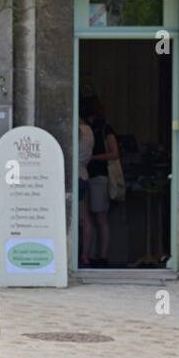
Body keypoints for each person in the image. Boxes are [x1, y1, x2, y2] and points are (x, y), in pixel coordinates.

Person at [82, 98, 119, 267]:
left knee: (99, 217)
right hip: (89, 175)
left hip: (99, 176)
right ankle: (91, 255)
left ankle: (102, 256)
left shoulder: (104, 129)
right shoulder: (89, 129)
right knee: (92, 218)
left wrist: (93, 158)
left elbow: (114, 153)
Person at [77, 111, 94, 267]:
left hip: (73, 176)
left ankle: (72, 256)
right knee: (85, 219)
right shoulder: (89, 130)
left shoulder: (78, 130)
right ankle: (85, 256)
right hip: (84, 174)